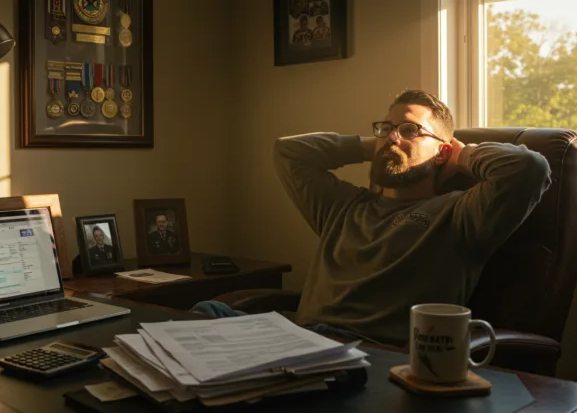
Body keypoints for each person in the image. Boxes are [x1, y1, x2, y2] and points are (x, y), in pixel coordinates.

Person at [192, 90, 551, 345]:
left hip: (366, 354)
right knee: (203, 313)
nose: (392, 136)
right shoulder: (342, 207)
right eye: (385, 127)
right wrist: (378, 145)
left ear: (442, 152)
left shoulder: (460, 214)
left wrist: (460, 154)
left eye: (409, 130)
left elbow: (528, 169)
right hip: (298, 341)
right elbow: (289, 151)